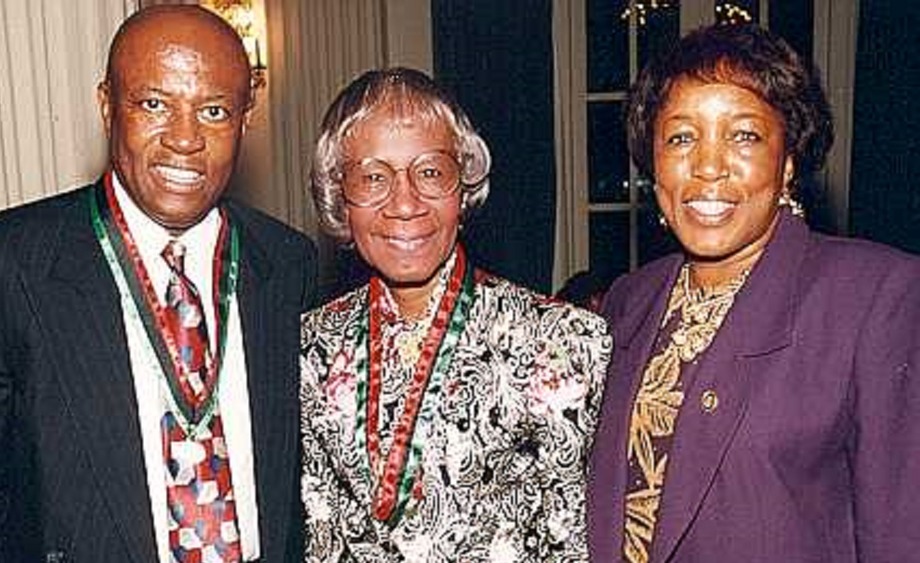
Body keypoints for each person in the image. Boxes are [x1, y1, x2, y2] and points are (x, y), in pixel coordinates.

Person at [0, 6, 315, 562]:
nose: (185, 139)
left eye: (214, 111)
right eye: (154, 104)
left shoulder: (290, 264)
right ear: (107, 106)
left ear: (245, 121)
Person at [588, 24, 920, 563]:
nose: (709, 166)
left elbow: (901, 536)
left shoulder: (877, 298)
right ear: (653, 165)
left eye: (743, 135)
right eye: (681, 137)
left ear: (787, 161)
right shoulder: (631, 299)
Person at [299, 67, 611, 562]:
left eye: (429, 172)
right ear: (341, 197)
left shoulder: (563, 342)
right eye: (373, 177)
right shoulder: (308, 348)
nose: (404, 203)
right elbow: (319, 534)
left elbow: (571, 542)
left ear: (463, 187)